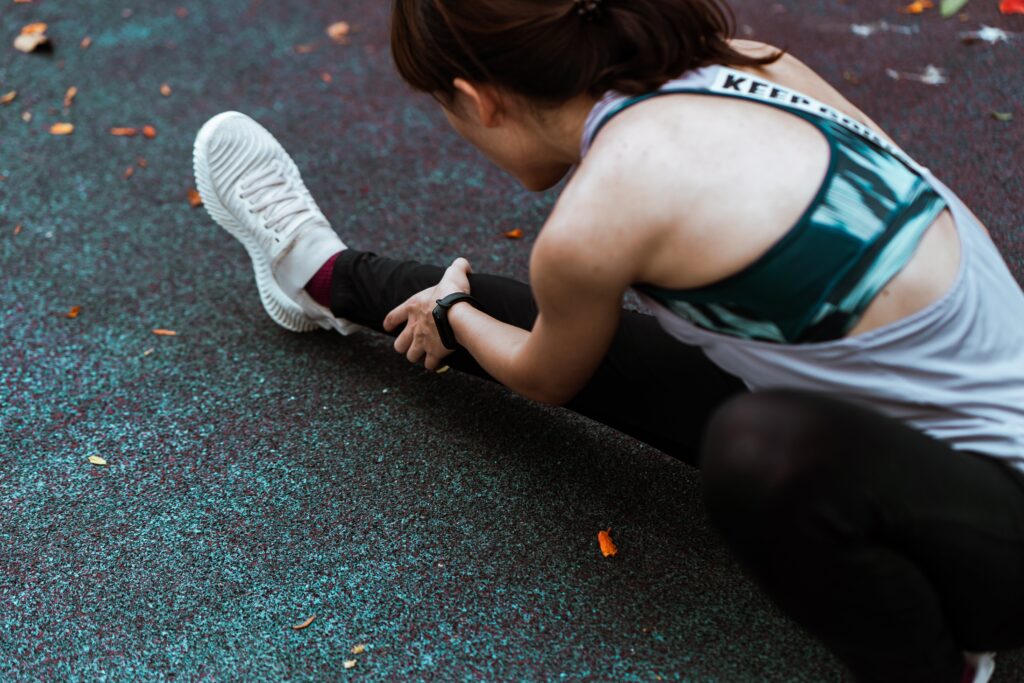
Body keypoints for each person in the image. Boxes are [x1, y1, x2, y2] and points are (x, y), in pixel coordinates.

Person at [191, 0, 1024, 680]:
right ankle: (322, 274)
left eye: (450, 115)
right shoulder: (750, 59)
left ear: (479, 99)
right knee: (529, 308)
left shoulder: (600, 215)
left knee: (758, 450)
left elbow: (547, 375)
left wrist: (452, 318)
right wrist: (461, 307)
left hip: (1000, 528)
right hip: (920, 424)